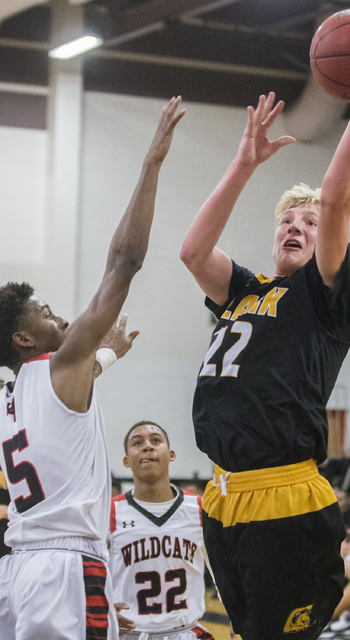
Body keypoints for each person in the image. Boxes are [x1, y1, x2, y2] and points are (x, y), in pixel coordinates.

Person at [180, 15, 350, 640]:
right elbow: (193, 254)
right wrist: (243, 164)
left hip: (287, 497)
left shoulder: (323, 293)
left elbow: (337, 201)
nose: (298, 227)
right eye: (289, 220)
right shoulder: (247, 290)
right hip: (224, 495)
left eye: (309, 224)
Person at [0, 97, 185, 640]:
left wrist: (107, 355)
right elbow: (124, 263)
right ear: (23, 337)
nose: (58, 312)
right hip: (64, 567)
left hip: (18, 568)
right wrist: (151, 162)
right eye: (43, 311)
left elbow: (67, 402)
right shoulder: (60, 366)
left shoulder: (13, 392)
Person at [109, 420, 215, 640]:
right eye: (137, 443)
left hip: (185, 632)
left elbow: (222, 572)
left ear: (171, 454)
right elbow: (90, 570)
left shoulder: (199, 508)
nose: (147, 446)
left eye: (156, 441)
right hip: (129, 633)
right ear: (126, 460)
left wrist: (236, 614)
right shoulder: (110, 512)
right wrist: (101, 607)